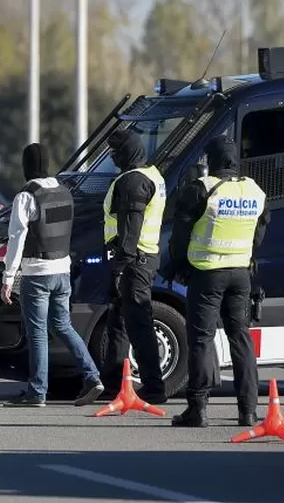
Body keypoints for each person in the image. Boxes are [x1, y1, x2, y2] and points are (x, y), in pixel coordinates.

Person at [163, 136, 270, 428]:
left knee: (201, 338)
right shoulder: (255, 191)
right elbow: (258, 237)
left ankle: (198, 409)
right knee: (241, 338)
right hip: (241, 273)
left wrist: (178, 265)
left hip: (208, 273)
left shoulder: (202, 190)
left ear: (212, 160)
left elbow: (180, 237)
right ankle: (248, 411)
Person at [0, 143, 105, 408]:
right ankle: (92, 377)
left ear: (26, 167)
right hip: (63, 271)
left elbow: (16, 238)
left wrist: (8, 277)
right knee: (63, 325)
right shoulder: (65, 191)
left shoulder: (26, 196)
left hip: (37, 273)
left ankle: (37, 392)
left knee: (36, 332)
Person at [98, 129, 168, 405]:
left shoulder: (133, 181)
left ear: (127, 152)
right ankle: (113, 383)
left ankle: (153, 387)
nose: (114, 158)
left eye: (116, 153)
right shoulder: (152, 174)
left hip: (133, 260)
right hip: (142, 258)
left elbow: (130, 229)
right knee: (119, 322)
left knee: (138, 324)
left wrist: (121, 266)